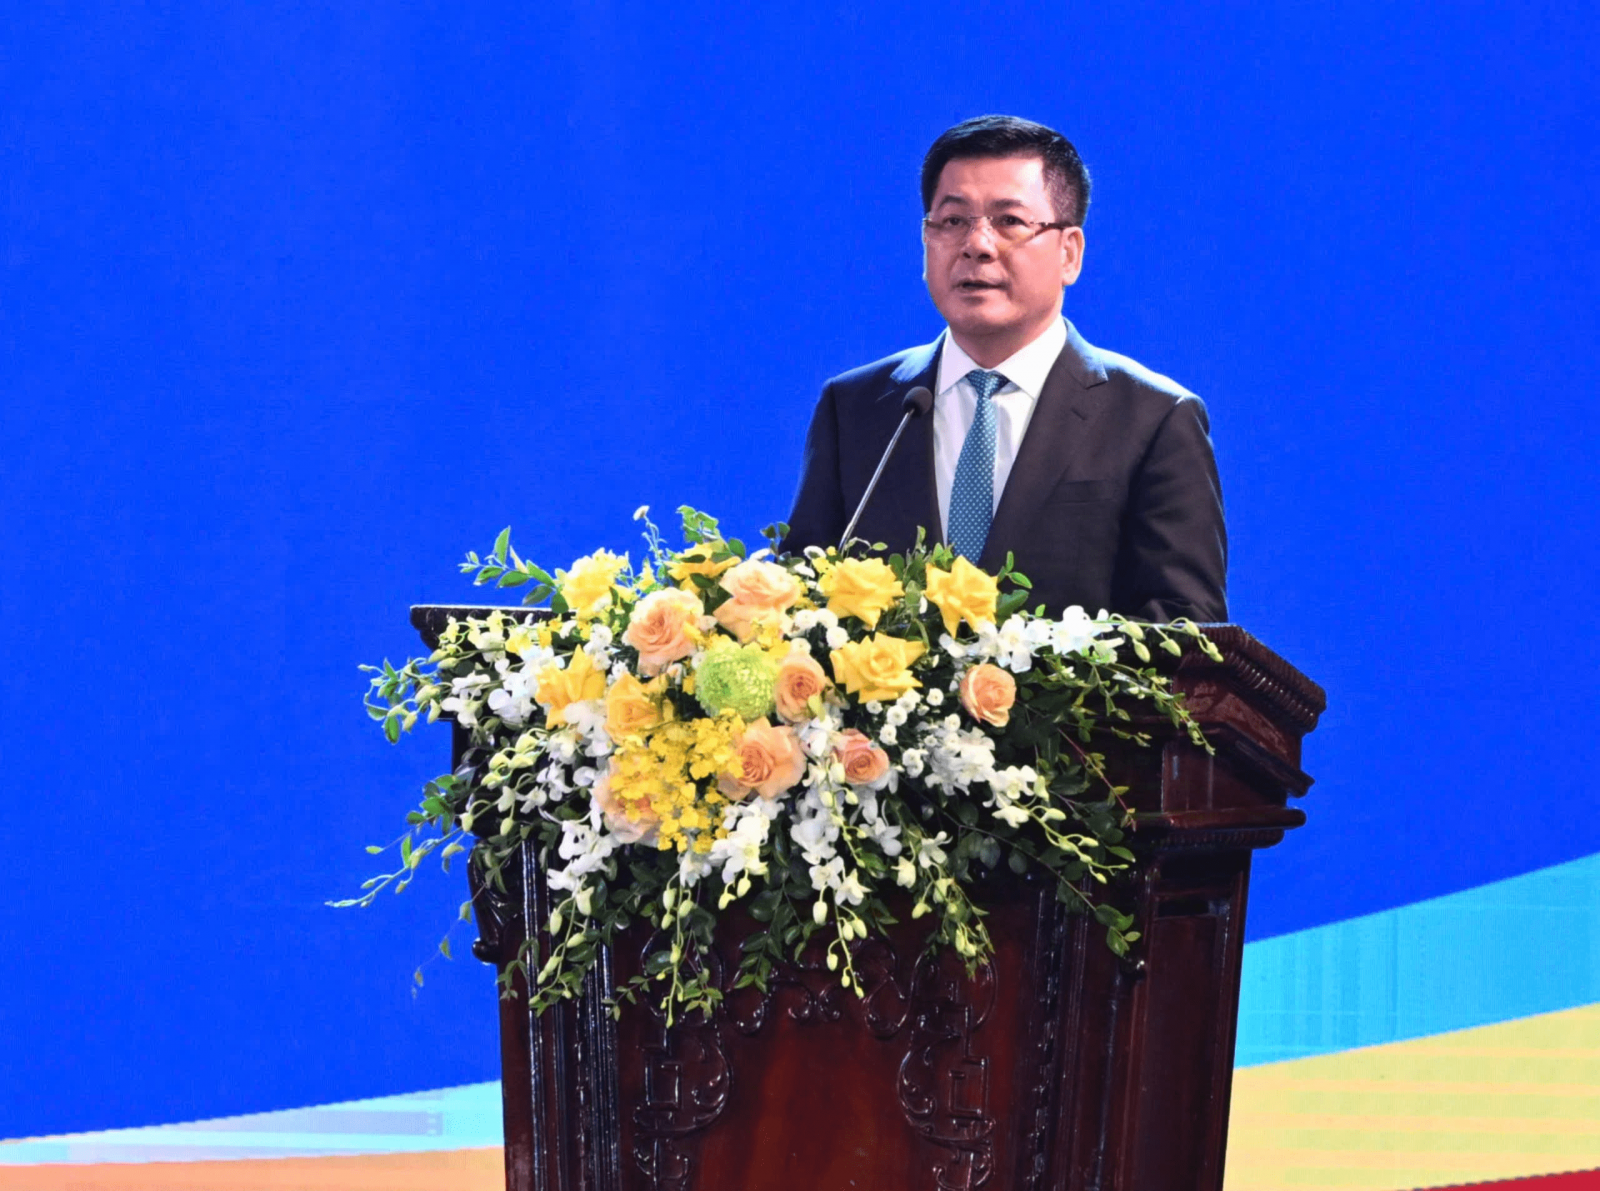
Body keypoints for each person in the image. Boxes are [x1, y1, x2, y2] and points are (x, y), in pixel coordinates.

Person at [783, 116, 1228, 623]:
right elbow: (803, 602)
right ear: (925, 240)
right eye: (953, 221)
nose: (977, 244)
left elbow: (1184, 628)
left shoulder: (1154, 418)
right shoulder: (856, 407)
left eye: (1009, 221)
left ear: (1069, 253)